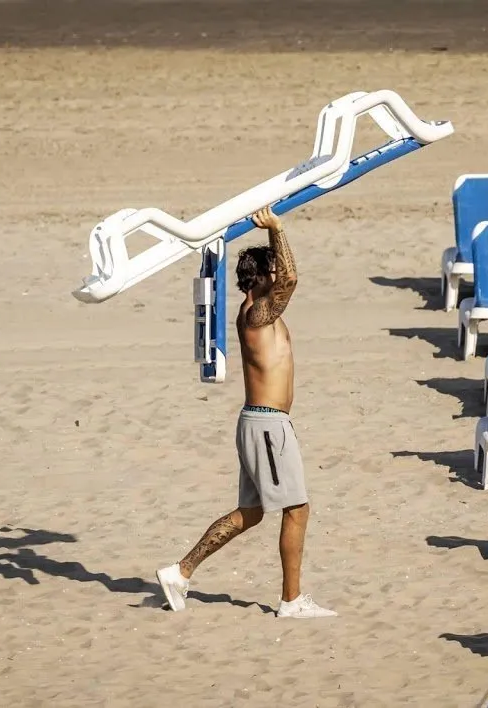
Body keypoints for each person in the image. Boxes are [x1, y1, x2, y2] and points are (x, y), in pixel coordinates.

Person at [155, 206, 336, 619]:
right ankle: (291, 601)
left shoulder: (261, 313)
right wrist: (277, 228)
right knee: (297, 508)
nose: (279, 275)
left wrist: (275, 238)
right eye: (272, 269)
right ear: (263, 276)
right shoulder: (256, 314)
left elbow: (285, 278)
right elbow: (291, 278)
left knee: (252, 513)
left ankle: (180, 571)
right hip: (268, 427)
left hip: (263, 424)